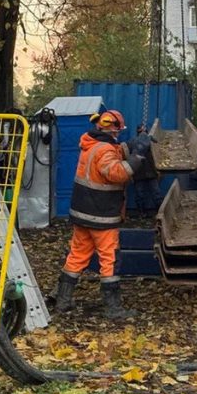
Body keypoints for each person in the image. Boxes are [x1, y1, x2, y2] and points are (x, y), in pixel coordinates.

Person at [55, 109, 144, 319]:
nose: (119, 134)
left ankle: (62, 300)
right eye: (119, 130)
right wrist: (138, 155)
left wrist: (130, 145)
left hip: (83, 213)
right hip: (101, 214)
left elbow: (114, 152)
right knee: (109, 259)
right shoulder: (104, 150)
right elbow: (117, 173)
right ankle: (112, 307)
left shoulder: (90, 144)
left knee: (77, 256)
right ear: (114, 129)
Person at [129, 123, 163, 219]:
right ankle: (146, 213)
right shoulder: (136, 142)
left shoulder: (134, 142)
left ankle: (152, 213)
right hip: (144, 172)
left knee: (152, 194)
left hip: (145, 172)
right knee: (152, 194)